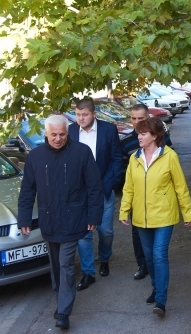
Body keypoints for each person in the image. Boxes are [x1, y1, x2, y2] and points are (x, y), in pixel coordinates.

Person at [18, 115, 103, 330]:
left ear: (68, 133)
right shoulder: (35, 157)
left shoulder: (81, 153)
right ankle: (60, 298)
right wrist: (25, 217)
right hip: (49, 220)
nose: (58, 138)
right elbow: (28, 190)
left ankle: (64, 311)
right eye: (54, 134)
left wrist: (93, 216)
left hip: (74, 219)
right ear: (46, 133)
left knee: (66, 263)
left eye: (62, 134)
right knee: (55, 265)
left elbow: (94, 187)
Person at [119, 117, 191, 317]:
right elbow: (129, 188)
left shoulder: (169, 156)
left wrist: (187, 213)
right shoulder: (135, 158)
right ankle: (155, 286)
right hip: (141, 218)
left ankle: (161, 300)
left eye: (143, 133)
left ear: (154, 136)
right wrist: (124, 210)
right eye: (138, 133)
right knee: (149, 257)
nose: (138, 137)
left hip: (164, 216)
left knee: (159, 255)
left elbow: (181, 187)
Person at [69, 98, 124, 291]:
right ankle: (88, 272)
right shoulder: (71, 131)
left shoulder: (108, 130)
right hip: (79, 192)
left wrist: (109, 184)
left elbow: (117, 159)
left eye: (84, 115)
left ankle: (105, 257)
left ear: (93, 114)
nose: (81, 119)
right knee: (84, 234)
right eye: (78, 115)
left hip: (102, 189)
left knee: (105, 231)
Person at [119, 103, 150, 280]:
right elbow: (122, 169)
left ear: (148, 117)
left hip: (156, 197)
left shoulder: (160, 138)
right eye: (134, 118)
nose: (137, 122)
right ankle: (142, 264)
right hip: (136, 196)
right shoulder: (126, 142)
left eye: (141, 118)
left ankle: (154, 262)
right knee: (137, 233)